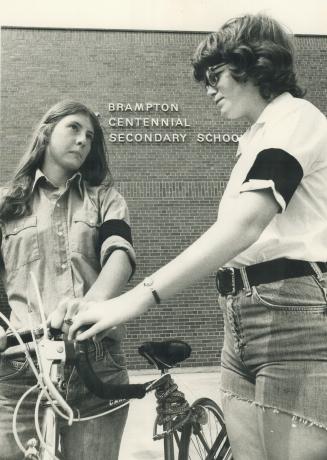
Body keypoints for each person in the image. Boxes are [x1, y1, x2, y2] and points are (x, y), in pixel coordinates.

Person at [63, 14, 326, 459]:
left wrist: (135, 299)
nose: (209, 89)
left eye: (216, 75)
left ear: (254, 65)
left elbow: (245, 225)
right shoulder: (253, 140)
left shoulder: (297, 119)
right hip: (238, 316)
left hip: (292, 316)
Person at [0, 100, 136, 460]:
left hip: (96, 359)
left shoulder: (105, 199)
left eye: (90, 136)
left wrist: (89, 305)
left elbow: (119, 256)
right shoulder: (5, 205)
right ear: (46, 132)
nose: (83, 141)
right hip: (20, 362)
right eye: (73, 128)